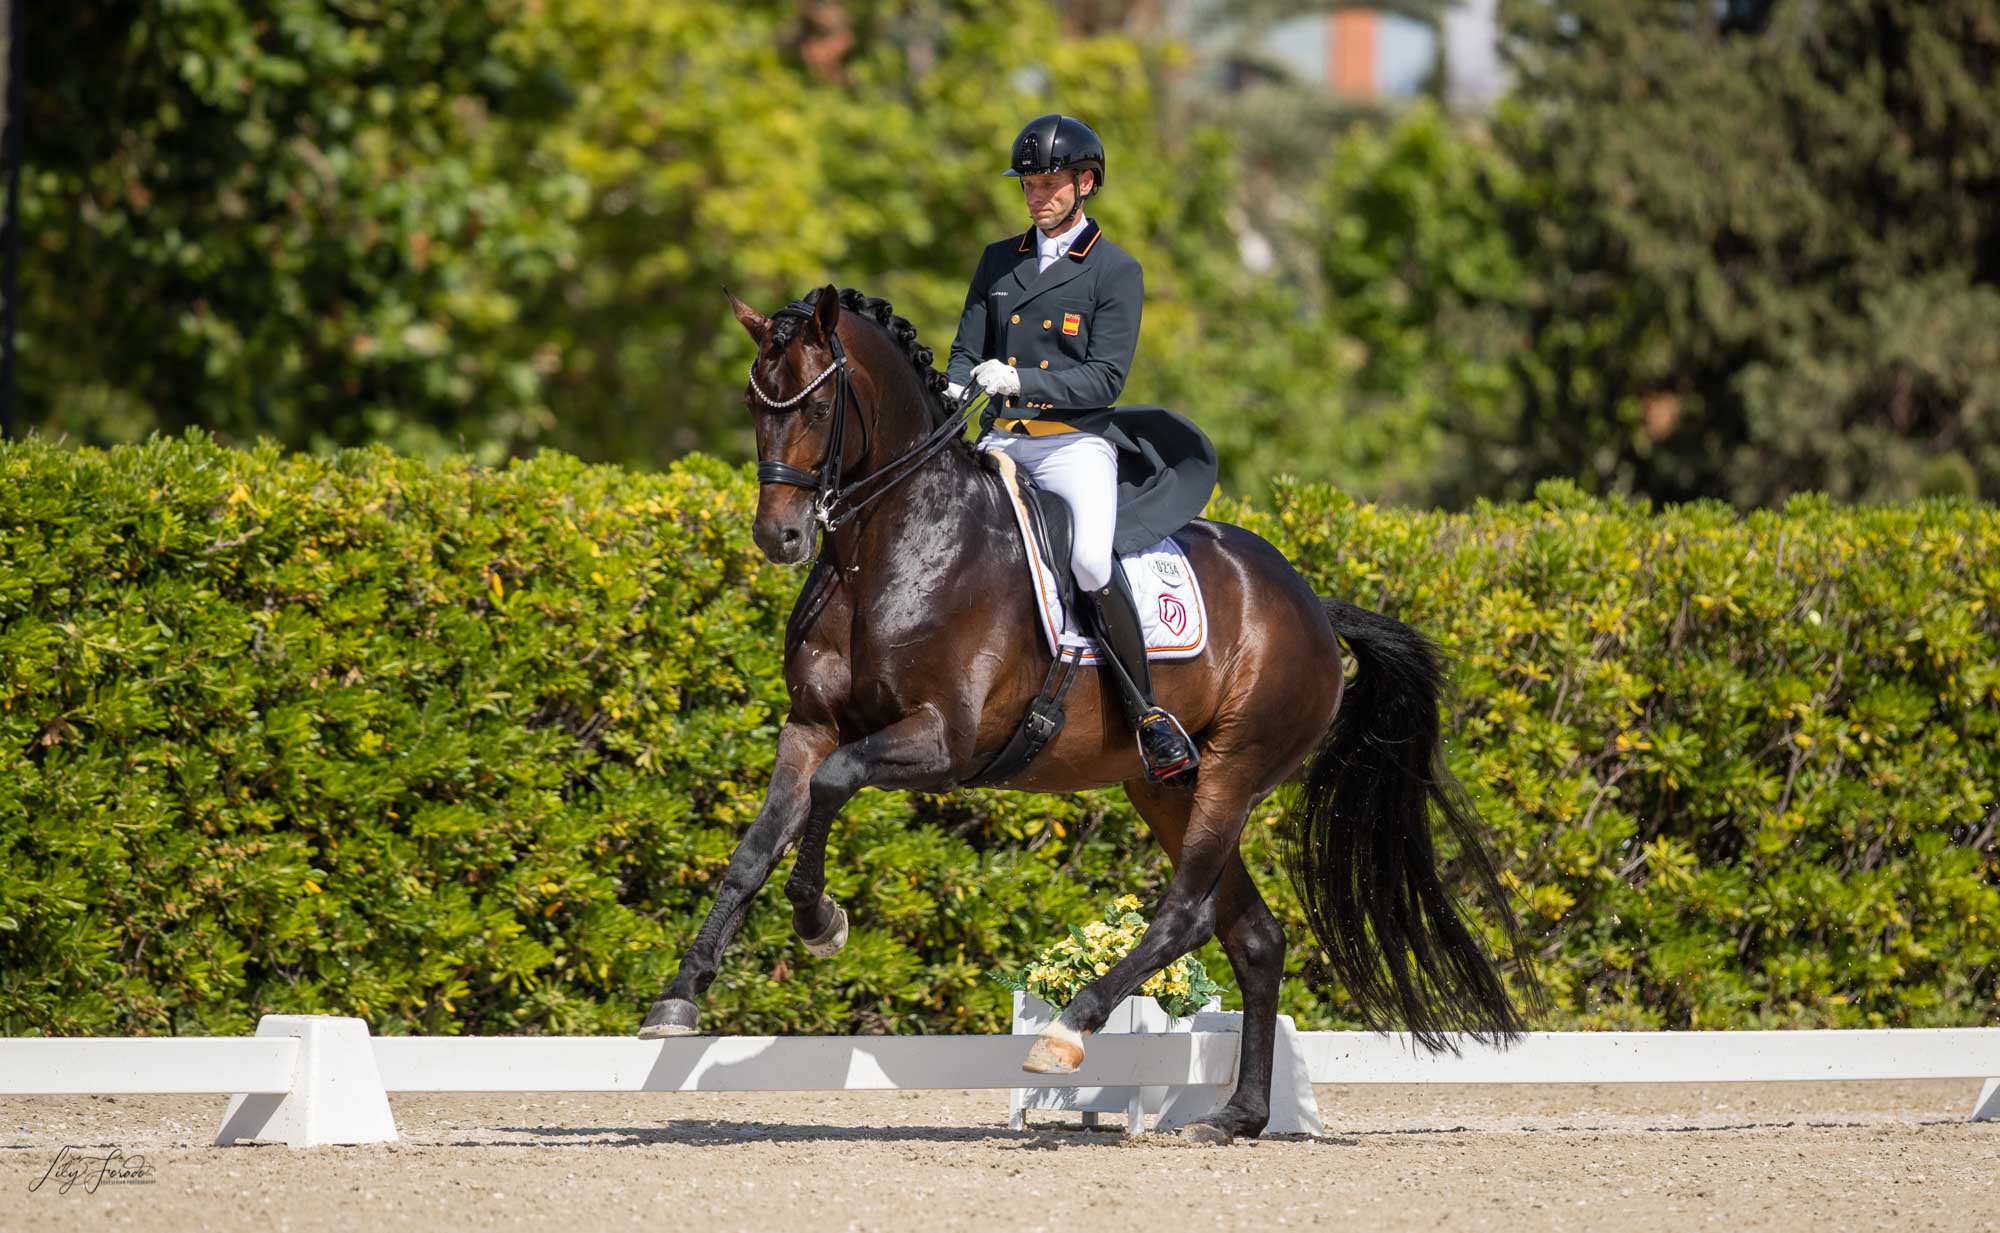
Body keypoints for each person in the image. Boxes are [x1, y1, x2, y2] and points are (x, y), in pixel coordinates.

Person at [946, 114, 1200, 784]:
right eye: (1029, 183)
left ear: (1086, 182)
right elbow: (968, 345)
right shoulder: (999, 260)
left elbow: (1105, 377)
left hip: (1072, 444)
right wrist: (950, 386)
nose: (1037, 195)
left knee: (1089, 559)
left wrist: (1022, 378)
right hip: (1000, 441)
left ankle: (1146, 713)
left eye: (1051, 182)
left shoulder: (1115, 271)